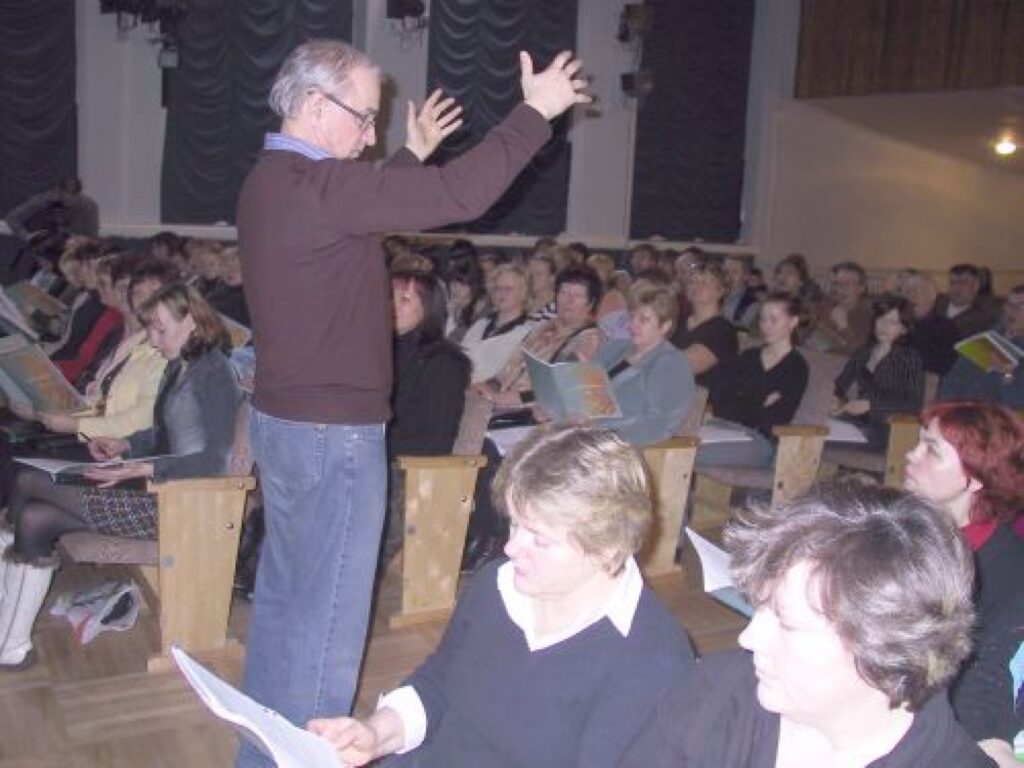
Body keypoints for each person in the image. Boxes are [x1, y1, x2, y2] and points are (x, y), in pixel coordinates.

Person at [234, 37, 592, 757]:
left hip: (285, 424)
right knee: (327, 628)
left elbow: (355, 212)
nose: (371, 135)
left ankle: (263, 755)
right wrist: (536, 113)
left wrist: (410, 158)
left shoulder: (272, 182)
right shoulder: (322, 187)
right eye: (363, 118)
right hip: (332, 436)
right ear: (312, 104)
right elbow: (463, 195)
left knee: (282, 613)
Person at [309, 425, 697, 767]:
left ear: (607, 548)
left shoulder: (650, 660)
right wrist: (377, 733)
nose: (511, 548)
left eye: (539, 539)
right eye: (514, 524)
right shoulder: (496, 586)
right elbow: (440, 683)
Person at [621, 483, 993, 767]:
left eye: (788, 623)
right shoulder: (720, 691)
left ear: (886, 649)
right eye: (760, 608)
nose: (748, 638)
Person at [0, 283, 240, 670]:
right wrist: (123, 445)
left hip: (176, 504)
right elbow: (160, 434)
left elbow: (214, 461)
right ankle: (11, 645)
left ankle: (7, 639)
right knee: (33, 516)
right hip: (155, 490)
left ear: (191, 322)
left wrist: (146, 467)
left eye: (161, 329)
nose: (154, 339)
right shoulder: (181, 365)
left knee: (27, 480)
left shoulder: (214, 373)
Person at [904, 402, 1024, 765]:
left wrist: (993, 742)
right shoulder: (909, 527)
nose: (911, 455)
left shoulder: (999, 569)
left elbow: (981, 668)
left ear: (974, 478)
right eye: (919, 443)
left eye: (931, 449)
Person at [384, 270, 471, 560]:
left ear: (429, 308)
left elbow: (435, 440)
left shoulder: (444, 363)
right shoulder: (377, 351)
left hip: (407, 470)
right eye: (389, 297)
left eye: (404, 299)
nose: (392, 306)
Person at [697, 292, 809, 468]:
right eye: (763, 319)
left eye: (773, 320)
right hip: (722, 426)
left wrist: (743, 398)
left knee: (686, 453)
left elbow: (776, 417)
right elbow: (721, 394)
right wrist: (758, 400)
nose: (766, 326)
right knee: (673, 442)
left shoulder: (796, 367)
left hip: (758, 440)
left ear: (793, 322)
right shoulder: (749, 356)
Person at [479, 264, 604, 410]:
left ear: (591, 303)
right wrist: (486, 387)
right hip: (501, 405)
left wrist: (520, 398)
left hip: (534, 416)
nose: (569, 301)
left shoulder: (589, 341)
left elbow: (570, 392)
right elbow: (509, 368)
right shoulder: (541, 328)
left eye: (577, 295)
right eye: (564, 292)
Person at [594, 284, 695, 445]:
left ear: (665, 326)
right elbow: (582, 392)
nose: (633, 324)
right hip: (582, 433)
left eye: (644, 319)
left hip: (621, 447)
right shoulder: (614, 348)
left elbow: (657, 426)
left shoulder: (672, 365)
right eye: (632, 316)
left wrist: (600, 432)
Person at [832, 294, 924, 451]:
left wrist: (871, 405)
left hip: (890, 429)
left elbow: (913, 403)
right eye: (880, 319)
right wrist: (834, 398)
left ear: (903, 328)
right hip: (859, 422)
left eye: (892, 322)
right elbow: (840, 384)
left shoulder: (909, 358)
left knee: (822, 437)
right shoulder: (865, 351)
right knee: (816, 427)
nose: (884, 326)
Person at [938, 285, 1024, 409]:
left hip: (1000, 420)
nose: (1012, 311)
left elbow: (1017, 403)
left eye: (1021, 306)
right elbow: (952, 382)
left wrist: (1007, 374)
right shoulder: (984, 340)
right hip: (964, 415)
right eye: (1009, 305)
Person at [668, 260, 738, 403]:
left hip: (703, 408)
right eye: (693, 281)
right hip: (668, 399)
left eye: (705, 282)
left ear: (721, 290)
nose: (696, 286)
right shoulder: (678, 322)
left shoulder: (722, 331)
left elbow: (681, 368)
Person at [460, 263, 534, 384]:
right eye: (497, 288)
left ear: (523, 293)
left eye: (508, 289)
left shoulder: (527, 332)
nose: (501, 293)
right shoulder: (481, 323)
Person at [900, 271, 960, 376]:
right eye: (908, 292)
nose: (911, 297)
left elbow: (939, 368)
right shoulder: (896, 323)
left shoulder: (945, 328)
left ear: (932, 297)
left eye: (916, 292)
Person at [806, 261, 872, 355]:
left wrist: (843, 326)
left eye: (848, 283)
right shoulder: (822, 306)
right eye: (836, 283)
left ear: (861, 288)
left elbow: (858, 353)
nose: (841, 288)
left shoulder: (868, 316)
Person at [5, 177, 99, 242]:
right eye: (66, 194)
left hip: (75, 250)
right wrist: (26, 235)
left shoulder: (89, 206)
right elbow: (12, 218)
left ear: (79, 193)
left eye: (74, 195)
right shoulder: (44, 200)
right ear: (59, 191)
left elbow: (92, 237)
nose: (70, 199)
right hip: (44, 248)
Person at [937, 264, 1002, 340]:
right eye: (952, 282)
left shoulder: (987, 313)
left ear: (976, 285)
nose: (956, 287)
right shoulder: (937, 304)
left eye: (962, 283)